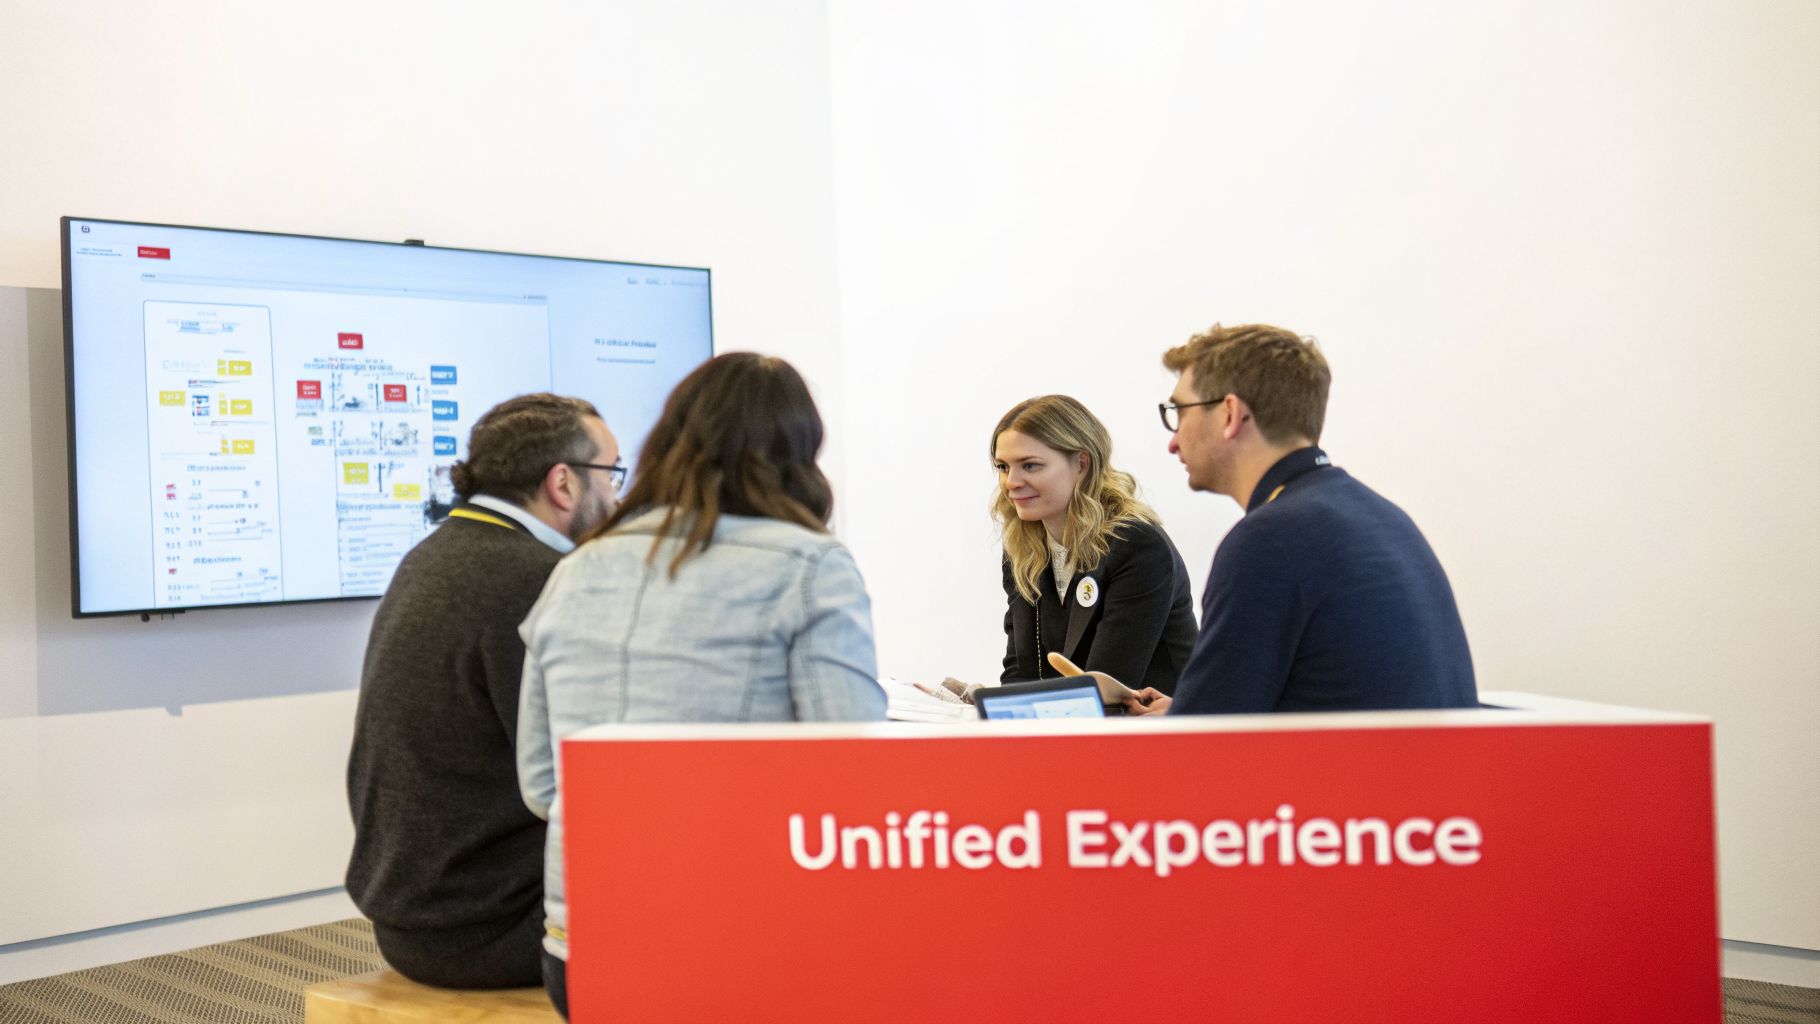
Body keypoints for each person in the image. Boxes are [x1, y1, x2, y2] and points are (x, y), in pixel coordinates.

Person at [517, 352, 886, 1019]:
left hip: (578, 943)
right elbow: (852, 772)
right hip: (737, 936)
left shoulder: (576, 567)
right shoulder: (810, 565)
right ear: (800, 451)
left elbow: (542, 783)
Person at [345, 393, 622, 989]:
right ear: (564, 484)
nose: (619, 499)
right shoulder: (540, 580)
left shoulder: (430, 556)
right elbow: (592, 773)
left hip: (412, 923)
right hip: (496, 930)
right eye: (612, 475)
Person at [1083, 323, 1476, 715]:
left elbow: (1203, 746)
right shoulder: (1382, 516)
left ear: (1230, 414)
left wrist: (1186, 717)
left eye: (1179, 412)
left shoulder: (1270, 540)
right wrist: (1185, 709)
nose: (1173, 440)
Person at [988, 395, 1197, 696]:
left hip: (1160, 736)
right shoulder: (1024, 550)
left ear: (1081, 464)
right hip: (1083, 729)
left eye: (1030, 466)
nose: (1011, 482)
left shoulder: (1137, 546)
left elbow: (1107, 690)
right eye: (1003, 467)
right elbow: (1021, 672)